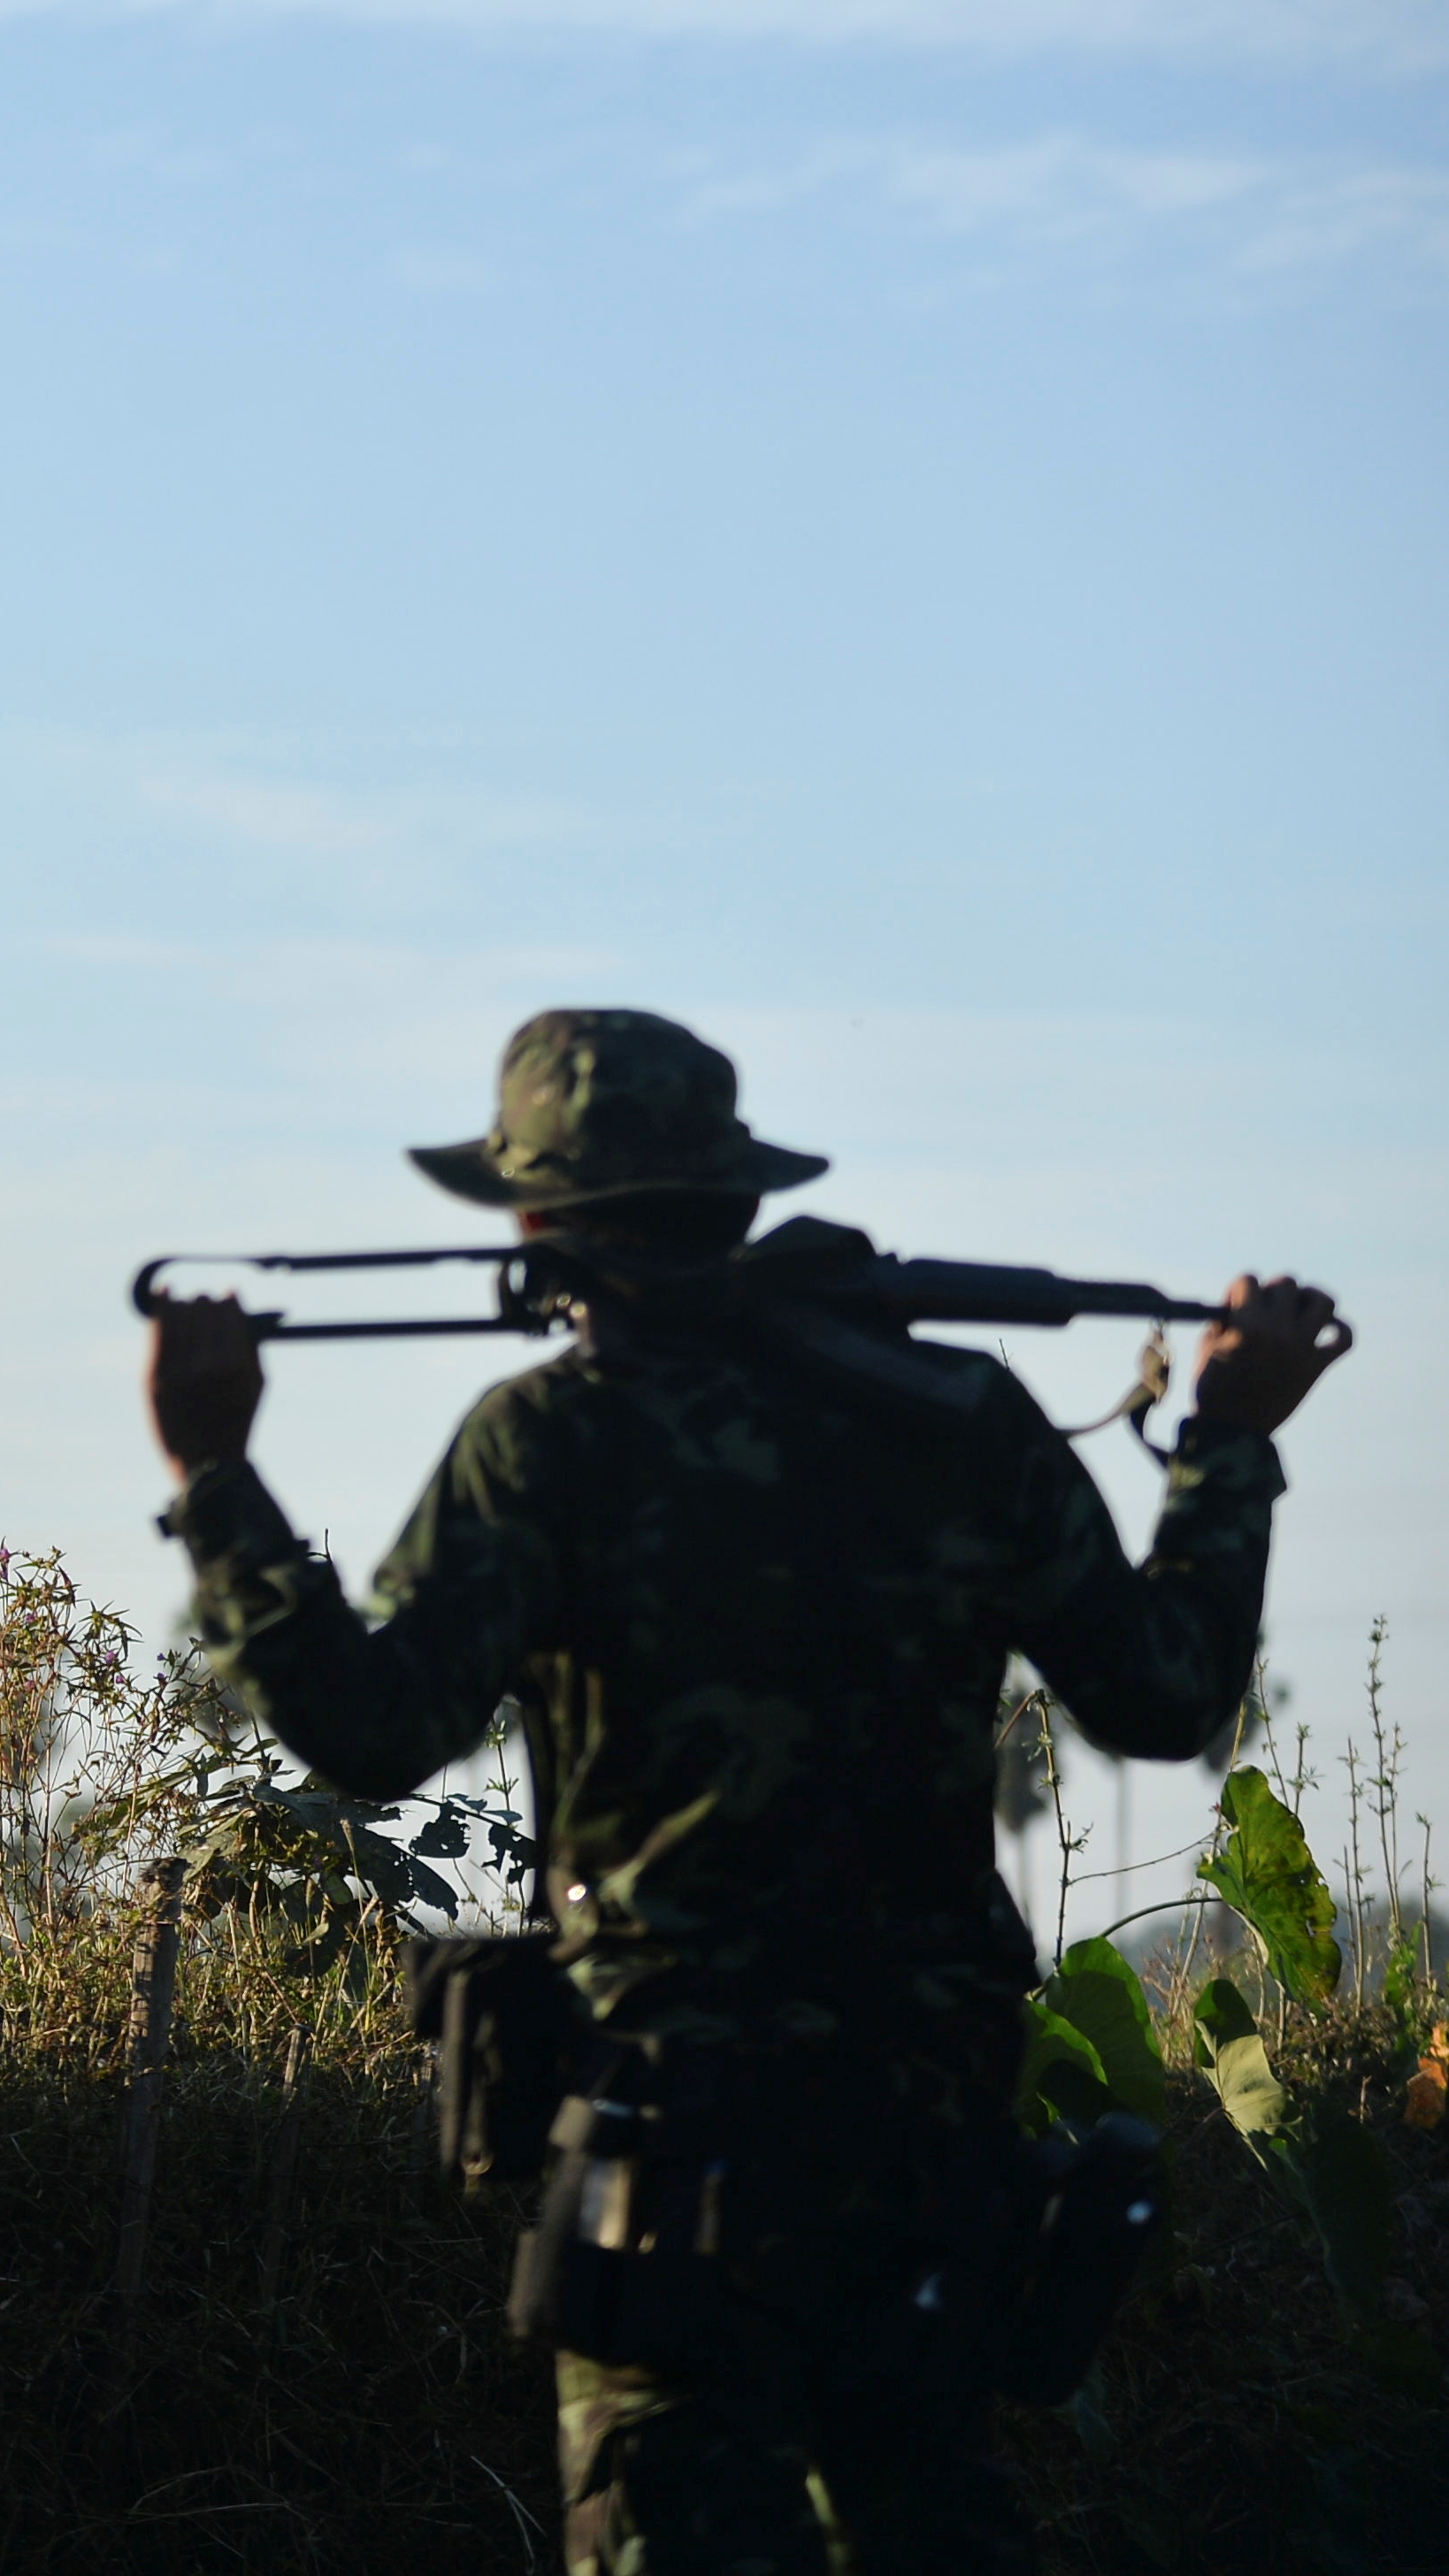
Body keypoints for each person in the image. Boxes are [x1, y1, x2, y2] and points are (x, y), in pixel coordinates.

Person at [144, 1008, 1349, 2575]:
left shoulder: (548, 1441)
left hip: (674, 2137)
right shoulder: (960, 1422)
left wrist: (213, 1477)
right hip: (927, 2134)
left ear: (529, 1219)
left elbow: (374, 1731)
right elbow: (1169, 1693)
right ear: (731, 1199)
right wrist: (1223, 1445)